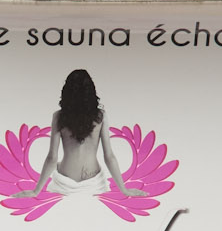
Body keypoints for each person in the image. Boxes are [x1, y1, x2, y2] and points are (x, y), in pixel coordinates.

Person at [17, 69, 145, 199]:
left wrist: (36, 191)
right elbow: (109, 156)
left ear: (66, 92)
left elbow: (52, 157)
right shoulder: (100, 116)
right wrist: (124, 190)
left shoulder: (59, 116)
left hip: (63, 183)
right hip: (94, 183)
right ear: (91, 92)